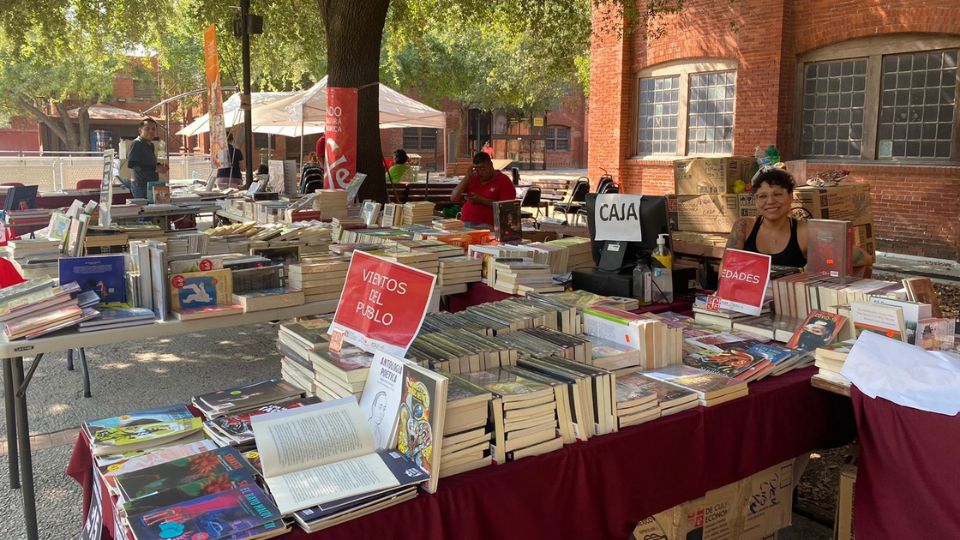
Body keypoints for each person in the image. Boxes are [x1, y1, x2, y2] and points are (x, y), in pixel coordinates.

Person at [727, 167, 873, 271]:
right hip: (746, 303)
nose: (770, 201)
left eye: (777, 194)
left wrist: (823, 258)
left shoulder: (804, 232)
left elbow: (864, 258)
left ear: (790, 196)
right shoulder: (744, 227)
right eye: (762, 196)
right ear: (756, 200)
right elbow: (726, 269)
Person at [451, 152, 516, 228]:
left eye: (482, 168)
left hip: (487, 224)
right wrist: (467, 177)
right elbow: (453, 198)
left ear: (491, 165)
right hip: (464, 221)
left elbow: (507, 207)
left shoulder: (503, 180)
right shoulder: (473, 178)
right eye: (476, 169)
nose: (480, 172)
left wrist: (482, 200)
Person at [126, 118, 167, 199]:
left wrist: (160, 166)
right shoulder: (137, 143)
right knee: (145, 210)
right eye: (147, 129)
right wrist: (155, 168)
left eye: (153, 129)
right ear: (140, 130)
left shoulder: (151, 145)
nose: (151, 131)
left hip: (152, 184)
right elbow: (132, 164)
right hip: (141, 187)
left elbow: (148, 163)